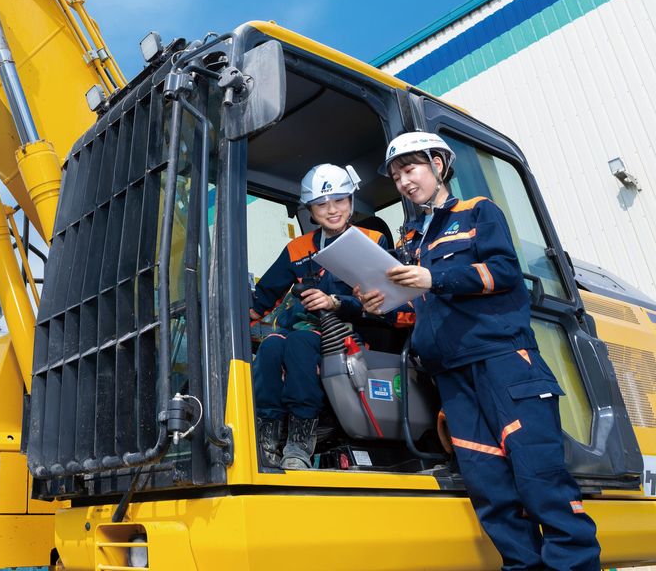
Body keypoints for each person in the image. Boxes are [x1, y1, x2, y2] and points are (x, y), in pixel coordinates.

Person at [357, 132, 600, 570]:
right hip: (451, 378)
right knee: (491, 492)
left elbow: (503, 273)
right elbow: (419, 308)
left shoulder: (478, 211)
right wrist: (377, 304)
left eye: (410, 169)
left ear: (438, 164)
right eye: (396, 177)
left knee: (540, 480)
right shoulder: (411, 239)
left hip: (502, 364)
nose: (404, 182)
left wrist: (435, 279)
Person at [250, 163, 387, 470]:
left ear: (351, 200)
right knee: (271, 345)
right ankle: (268, 436)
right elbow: (263, 298)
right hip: (303, 328)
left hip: (345, 331)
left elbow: (381, 300)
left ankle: (300, 441)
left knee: (299, 343)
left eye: (339, 200)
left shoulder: (371, 241)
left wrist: (334, 301)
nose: (332, 210)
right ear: (311, 210)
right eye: (322, 204)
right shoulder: (298, 249)